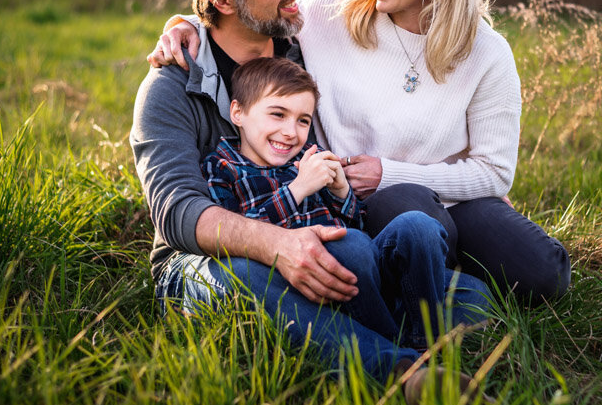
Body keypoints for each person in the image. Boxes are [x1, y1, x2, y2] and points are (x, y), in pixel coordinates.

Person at [130, 0, 488, 404]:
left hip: (317, 234)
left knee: (473, 297)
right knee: (249, 280)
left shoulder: (299, 48)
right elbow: (176, 213)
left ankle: (346, 323)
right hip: (204, 261)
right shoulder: (169, 88)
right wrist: (277, 244)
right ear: (224, 0)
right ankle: (407, 376)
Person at [152, 0, 571, 304]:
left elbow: (496, 172)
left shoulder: (487, 52)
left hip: (454, 199)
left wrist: (390, 173)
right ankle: (433, 302)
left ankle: (449, 278)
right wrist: (184, 24)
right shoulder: (328, 15)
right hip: (379, 208)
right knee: (413, 214)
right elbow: (244, 12)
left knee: (543, 274)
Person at [203, 56, 489, 349]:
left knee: (423, 231)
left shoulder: (309, 158)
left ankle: (421, 333)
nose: (291, 132)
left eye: (303, 120)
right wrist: (297, 190)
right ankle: (395, 343)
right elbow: (235, 236)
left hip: (369, 272)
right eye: (277, 114)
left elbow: (361, 224)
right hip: (316, 283)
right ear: (237, 112)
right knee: (349, 246)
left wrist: (342, 194)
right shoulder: (224, 166)